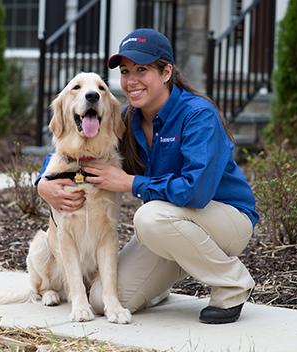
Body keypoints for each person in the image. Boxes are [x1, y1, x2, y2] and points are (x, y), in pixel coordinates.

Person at [37, 28, 259, 324]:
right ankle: (159, 285)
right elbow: (72, 151)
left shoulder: (197, 115)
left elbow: (197, 192)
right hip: (172, 228)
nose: (131, 80)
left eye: (142, 70)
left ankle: (233, 285)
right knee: (103, 299)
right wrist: (43, 184)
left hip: (225, 219)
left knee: (149, 217)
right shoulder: (128, 119)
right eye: (126, 71)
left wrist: (130, 182)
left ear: (166, 72)